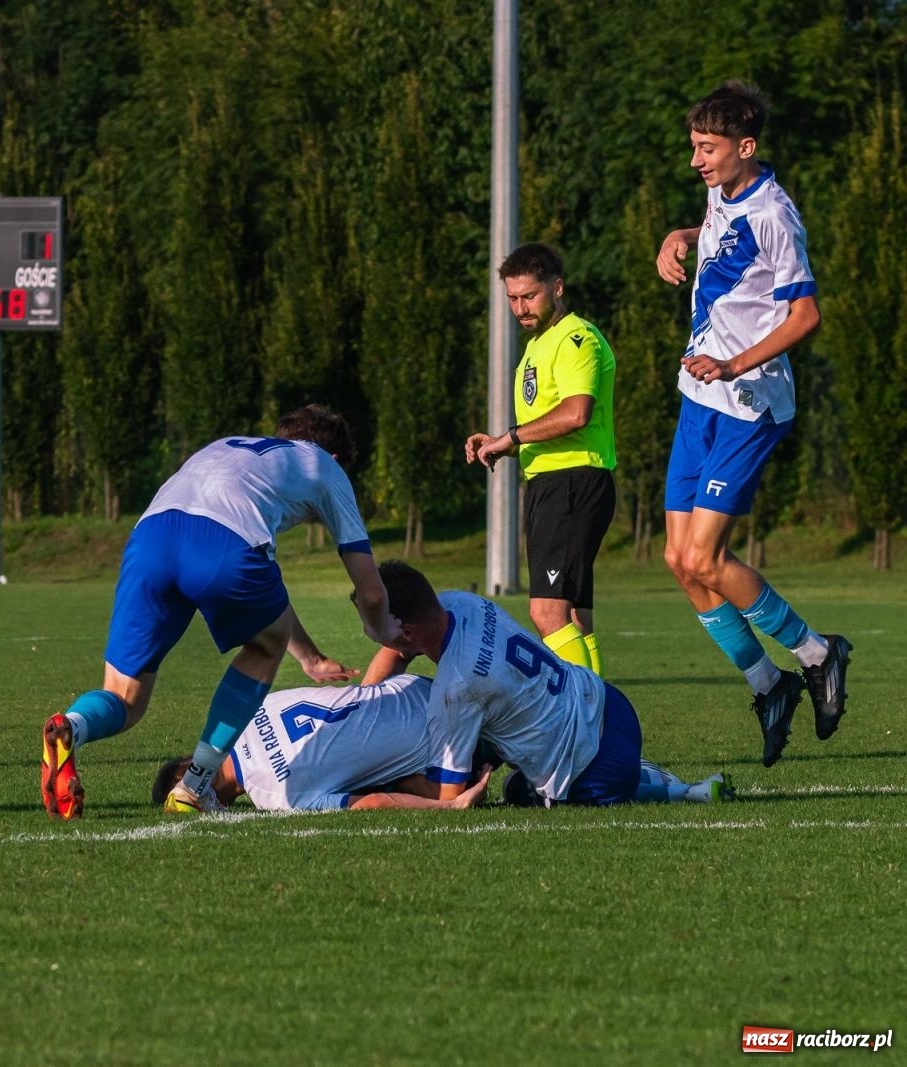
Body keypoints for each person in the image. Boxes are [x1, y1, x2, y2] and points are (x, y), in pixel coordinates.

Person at [41, 404, 398, 819]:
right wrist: (384, 635)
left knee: (124, 697)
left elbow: (271, 599)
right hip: (222, 543)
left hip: (150, 536)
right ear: (336, 458)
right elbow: (371, 593)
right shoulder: (326, 467)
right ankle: (193, 787)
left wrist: (312, 658)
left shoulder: (235, 448)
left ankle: (71, 726)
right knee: (265, 650)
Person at [653, 80, 850, 767]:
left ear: (746, 147)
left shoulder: (776, 213)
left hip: (748, 402)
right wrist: (677, 237)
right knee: (679, 561)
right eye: (694, 148)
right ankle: (768, 685)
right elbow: (712, 235)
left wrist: (735, 363)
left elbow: (805, 315)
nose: (696, 161)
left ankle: (818, 653)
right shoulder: (723, 190)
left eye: (707, 150)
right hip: (698, 395)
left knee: (706, 556)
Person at [364, 561, 733, 807]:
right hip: (610, 704)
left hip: (596, 768)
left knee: (517, 790)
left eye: (372, 621)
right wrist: (361, 705)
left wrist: (384, 781)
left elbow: (449, 796)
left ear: (407, 630)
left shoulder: (456, 688)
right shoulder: (460, 603)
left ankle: (682, 793)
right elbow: (400, 650)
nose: (368, 631)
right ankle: (657, 773)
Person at [465, 243, 617, 674]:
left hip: (572, 481)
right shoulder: (538, 344)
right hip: (555, 482)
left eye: (529, 296)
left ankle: (583, 718)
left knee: (547, 613)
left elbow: (575, 412)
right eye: (512, 298)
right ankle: (597, 717)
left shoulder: (575, 339)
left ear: (557, 287)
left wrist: (510, 436)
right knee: (572, 616)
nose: (520, 307)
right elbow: (548, 418)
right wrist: (503, 442)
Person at [153, 674, 492, 812]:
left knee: (417, 789)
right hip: (418, 686)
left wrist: (449, 806)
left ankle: (490, 771)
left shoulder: (273, 797)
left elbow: (372, 803)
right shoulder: (251, 711)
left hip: (442, 746)